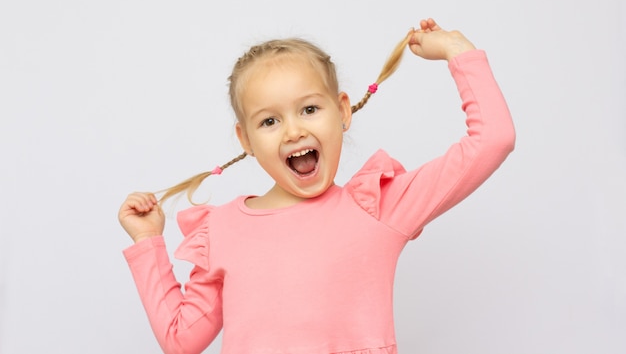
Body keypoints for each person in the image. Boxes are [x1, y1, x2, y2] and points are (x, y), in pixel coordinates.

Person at [118, 18, 515, 354]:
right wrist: (148, 241)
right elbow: (180, 339)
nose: (293, 131)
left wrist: (457, 51)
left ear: (342, 111)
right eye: (269, 121)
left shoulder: (377, 207)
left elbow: (493, 140)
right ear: (246, 141)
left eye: (309, 109)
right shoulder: (221, 230)